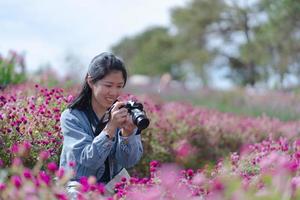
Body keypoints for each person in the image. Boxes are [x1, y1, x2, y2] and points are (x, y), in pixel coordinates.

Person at [59, 52, 143, 198]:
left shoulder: (121, 112)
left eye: (119, 86)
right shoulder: (72, 117)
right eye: (108, 85)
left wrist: (127, 134)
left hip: (114, 184)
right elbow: (88, 159)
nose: (114, 92)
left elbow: (129, 162)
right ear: (91, 82)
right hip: (80, 185)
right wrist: (111, 127)